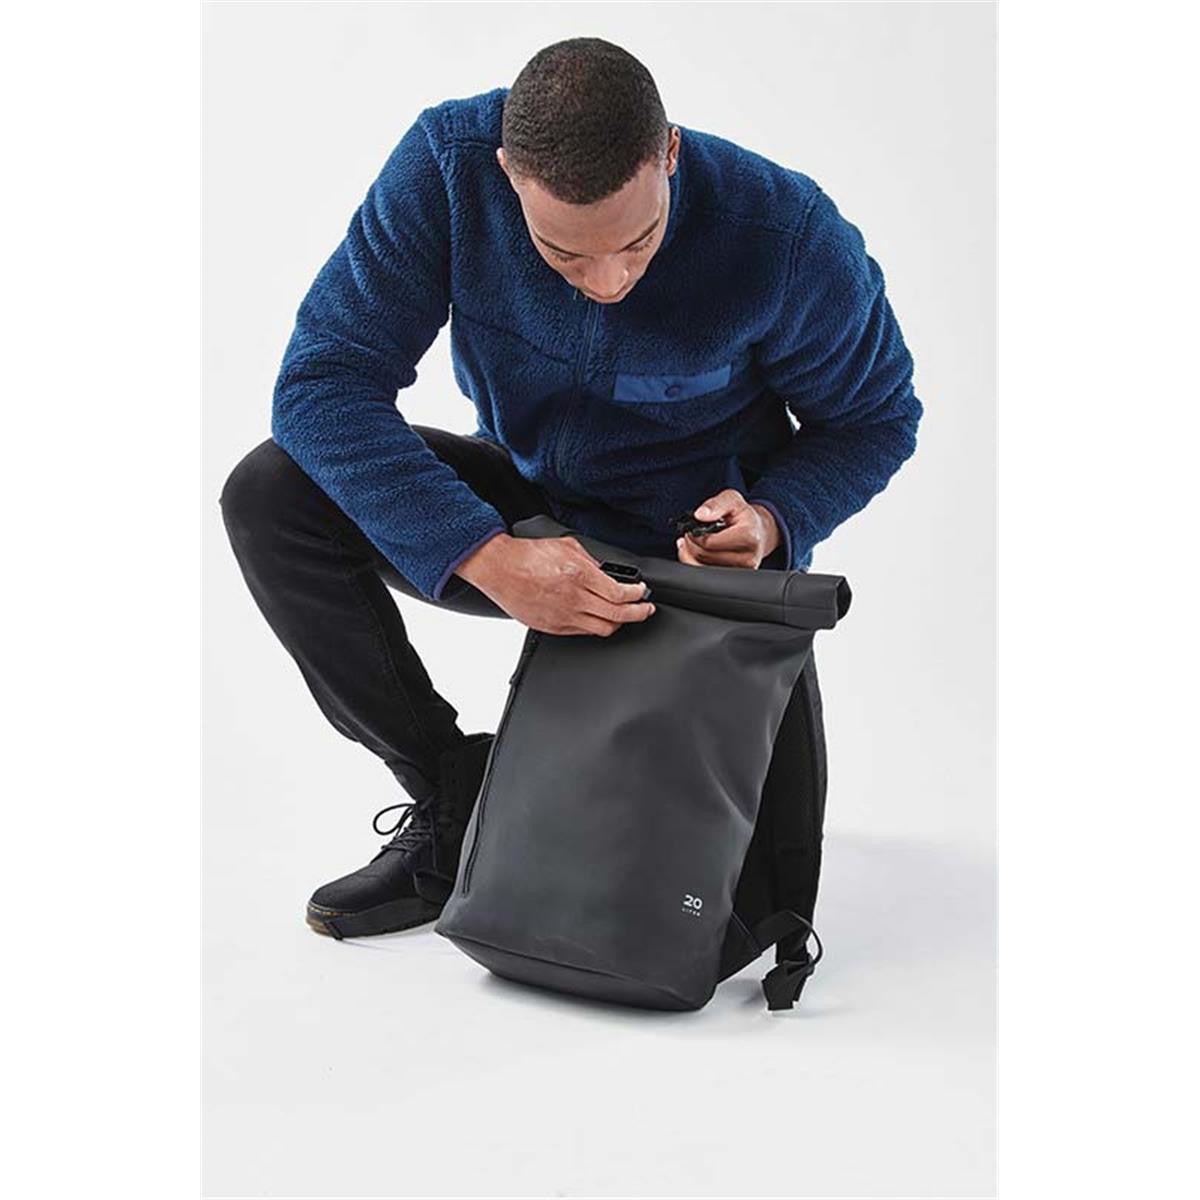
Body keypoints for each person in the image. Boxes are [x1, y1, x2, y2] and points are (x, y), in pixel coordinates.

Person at [220, 37, 922, 941]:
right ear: (509, 176)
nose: (609, 282)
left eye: (638, 241)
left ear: (669, 153)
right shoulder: (447, 169)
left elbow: (876, 418)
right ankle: (451, 790)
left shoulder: (785, 233)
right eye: (563, 253)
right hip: (526, 511)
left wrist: (772, 518)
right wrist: (484, 553)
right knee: (270, 493)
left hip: (693, 562)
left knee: (744, 915)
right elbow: (321, 383)